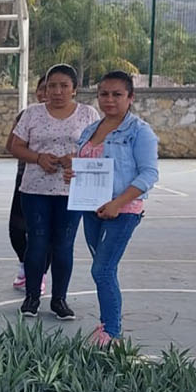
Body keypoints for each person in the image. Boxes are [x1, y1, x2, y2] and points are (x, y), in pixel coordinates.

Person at [67, 70, 160, 345]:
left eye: (117, 94)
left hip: (122, 212)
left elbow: (148, 175)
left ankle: (111, 332)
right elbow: (84, 163)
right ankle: (106, 323)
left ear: (130, 97)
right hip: (91, 209)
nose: (109, 100)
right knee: (102, 267)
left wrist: (117, 204)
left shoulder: (140, 132)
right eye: (104, 94)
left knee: (102, 269)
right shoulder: (90, 129)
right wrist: (72, 174)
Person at [10, 63, 101, 320]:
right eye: (52, 86)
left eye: (64, 86)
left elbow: (100, 146)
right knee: (36, 243)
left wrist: (77, 157)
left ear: (74, 89)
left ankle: (59, 300)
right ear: (45, 88)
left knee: (63, 245)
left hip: (72, 191)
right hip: (34, 189)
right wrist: (38, 158)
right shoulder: (32, 113)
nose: (57, 91)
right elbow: (16, 146)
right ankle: (31, 298)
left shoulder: (88, 115)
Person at [6, 76, 51, 291]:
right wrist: (35, 156)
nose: (45, 93)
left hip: (57, 184)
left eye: (49, 88)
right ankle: (25, 264)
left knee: (47, 232)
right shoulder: (26, 115)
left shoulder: (73, 118)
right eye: (42, 89)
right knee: (16, 228)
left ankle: (40, 273)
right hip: (25, 180)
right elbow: (11, 146)